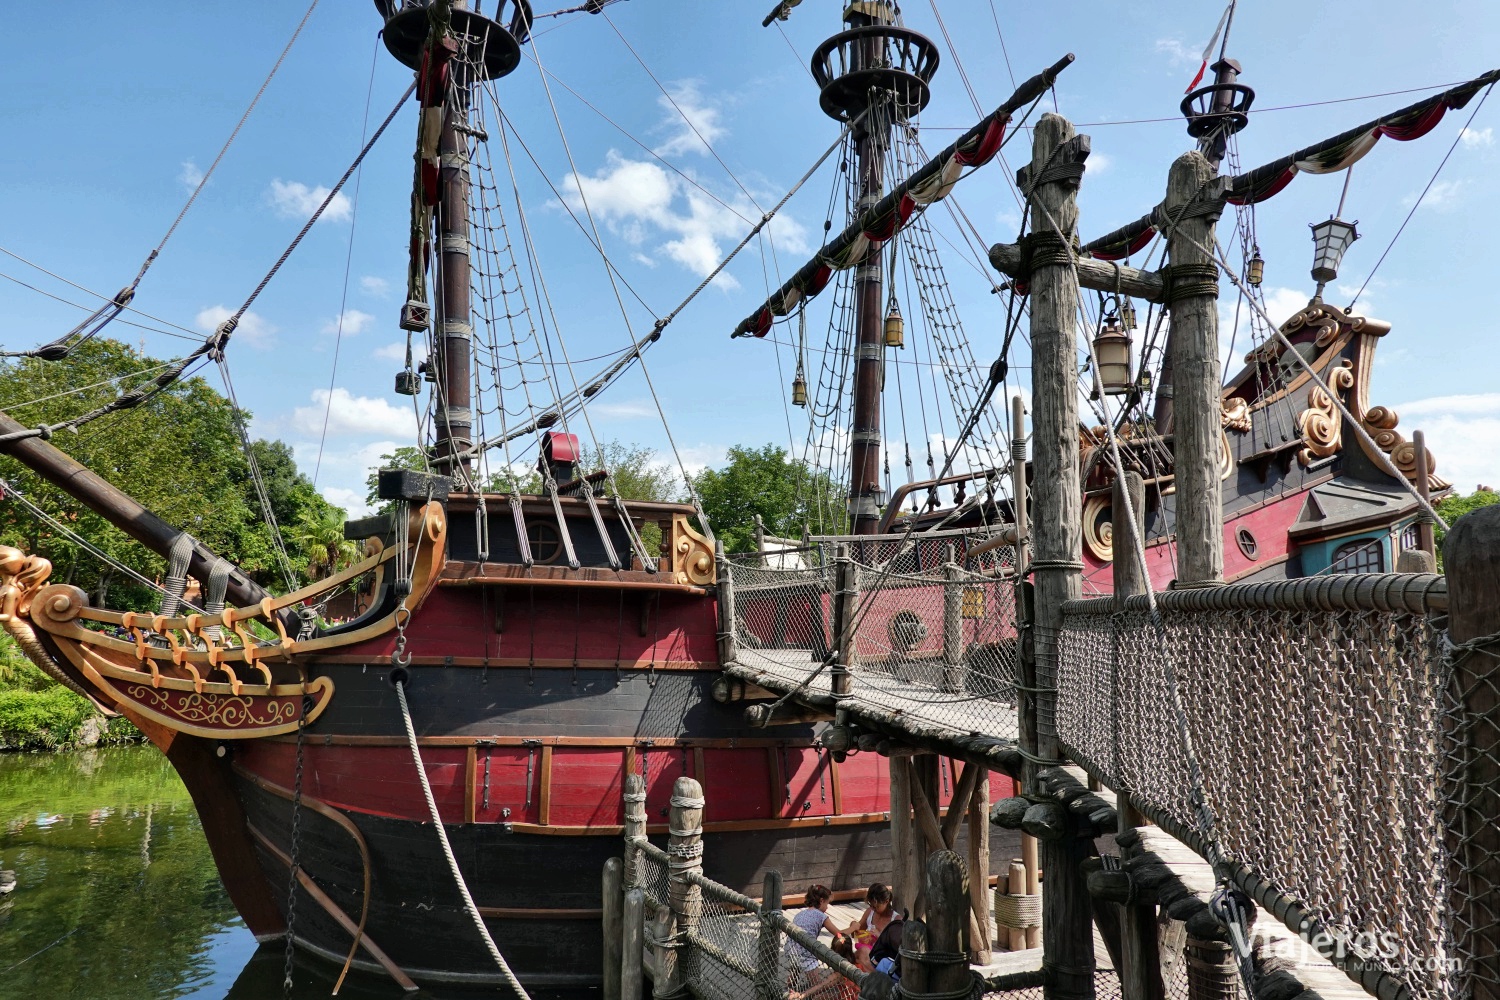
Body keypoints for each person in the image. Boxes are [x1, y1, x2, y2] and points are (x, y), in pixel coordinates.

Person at [787, 884, 846, 990]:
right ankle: (813, 995)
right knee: (817, 986)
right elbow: (839, 934)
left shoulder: (801, 914)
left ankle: (787, 990)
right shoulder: (821, 916)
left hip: (792, 949)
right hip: (806, 953)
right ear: (822, 901)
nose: (827, 908)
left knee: (794, 972)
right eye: (827, 904)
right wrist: (854, 927)